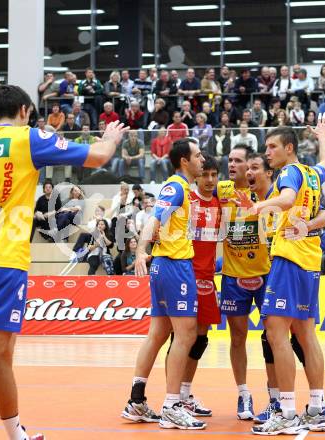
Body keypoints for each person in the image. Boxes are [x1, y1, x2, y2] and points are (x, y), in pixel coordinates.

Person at [0, 84, 127, 440]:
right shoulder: (26, 138)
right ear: (22, 110)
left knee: (1, 355)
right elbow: (97, 157)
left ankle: (16, 434)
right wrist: (110, 137)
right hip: (3, 262)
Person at [241, 116, 325, 435]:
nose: (267, 152)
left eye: (272, 147)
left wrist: (259, 207)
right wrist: (324, 135)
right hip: (310, 260)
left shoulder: (290, 172)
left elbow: (287, 199)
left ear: (289, 148)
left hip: (289, 258)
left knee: (276, 332)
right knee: (306, 335)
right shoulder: (313, 173)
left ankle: (288, 412)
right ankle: (318, 408)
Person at [121, 139, 206, 430]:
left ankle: (136, 400)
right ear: (184, 160)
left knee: (157, 334)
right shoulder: (176, 186)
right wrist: (141, 249)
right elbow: (154, 218)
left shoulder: (184, 189)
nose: (202, 160)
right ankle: (172, 405)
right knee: (187, 334)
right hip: (173, 266)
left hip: (165, 266)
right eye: (197, 155)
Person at [166, 153, 221, 418]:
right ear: (196, 174)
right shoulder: (186, 198)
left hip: (207, 279)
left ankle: (185, 395)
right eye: (205, 174)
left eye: (214, 175)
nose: (210, 180)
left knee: (200, 339)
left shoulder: (223, 203)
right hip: (184, 275)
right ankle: (172, 398)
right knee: (179, 338)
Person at [216, 144, 268, 420]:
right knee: (238, 337)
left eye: (238, 160)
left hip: (265, 273)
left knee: (272, 337)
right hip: (233, 277)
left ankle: (275, 396)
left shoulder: (259, 189)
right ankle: (244, 394)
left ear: (250, 165)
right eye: (230, 160)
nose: (232, 164)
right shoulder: (222, 189)